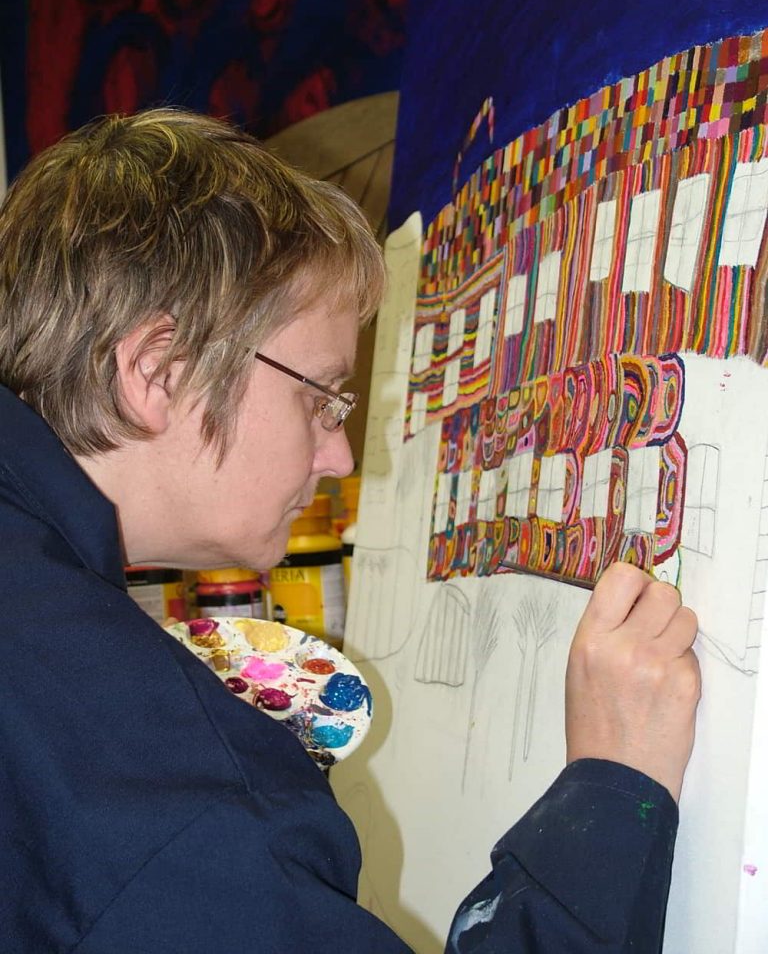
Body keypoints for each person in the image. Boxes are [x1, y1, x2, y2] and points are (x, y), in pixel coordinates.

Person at [0, 108, 700, 953]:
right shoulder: (180, 805)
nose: (338, 455)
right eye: (321, 397)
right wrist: (612, 788)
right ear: (158, 371)